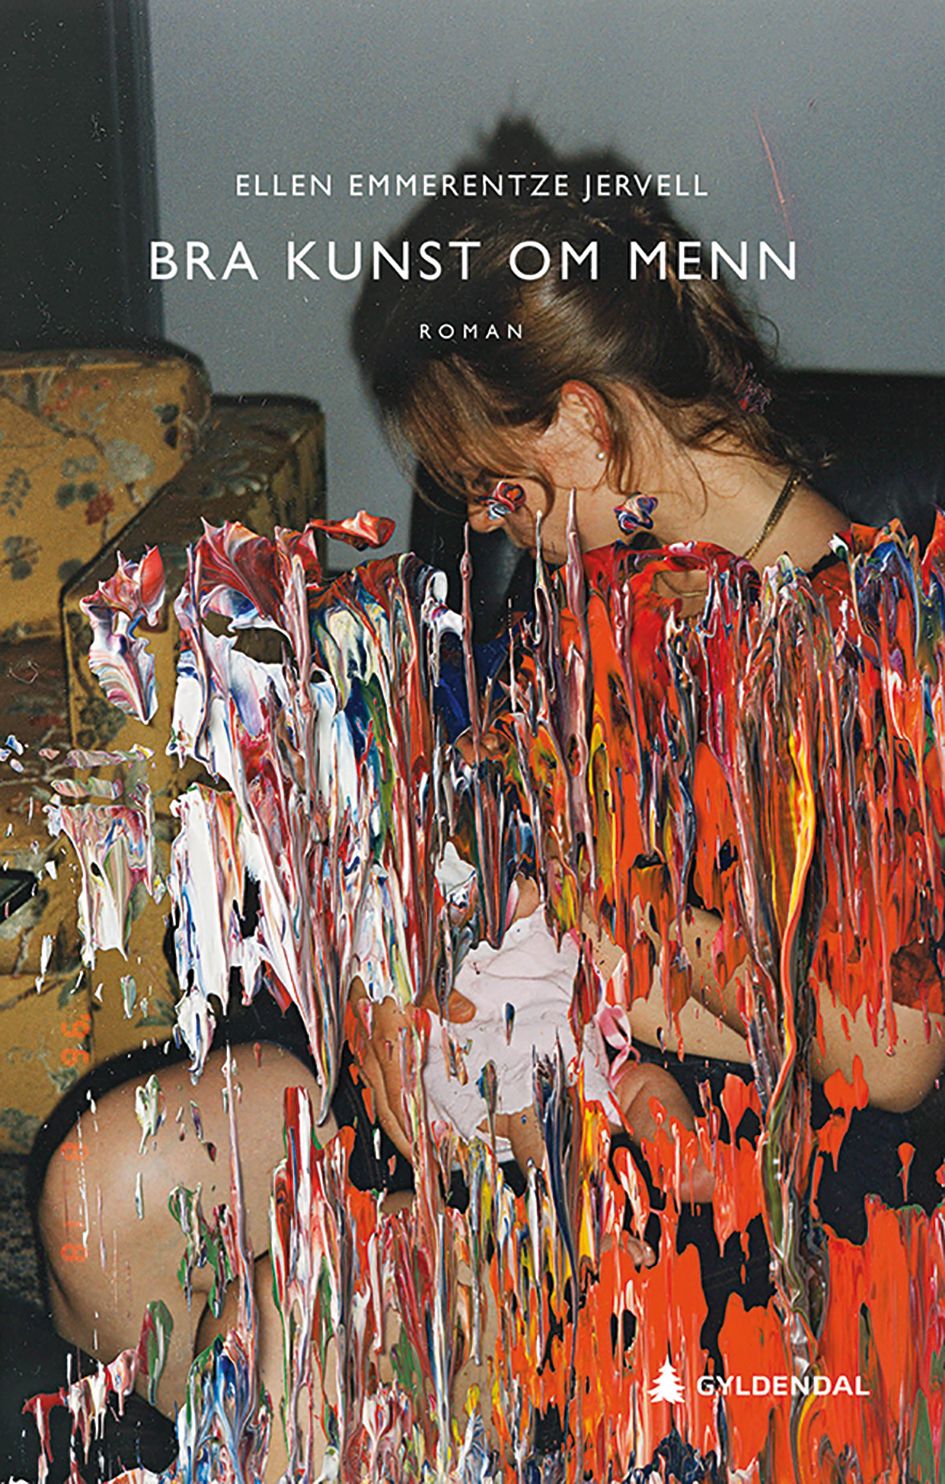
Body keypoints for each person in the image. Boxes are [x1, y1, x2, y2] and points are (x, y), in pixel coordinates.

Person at [359, 182, 945, 1226]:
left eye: (496, 484)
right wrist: (390, 992)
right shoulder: (618, 583)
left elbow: (890, 1053)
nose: (488, 521)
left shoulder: (865, 645)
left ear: (582, 422)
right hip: (599, 1067)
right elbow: (483, 816)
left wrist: (622, 932)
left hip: (795, 1175)